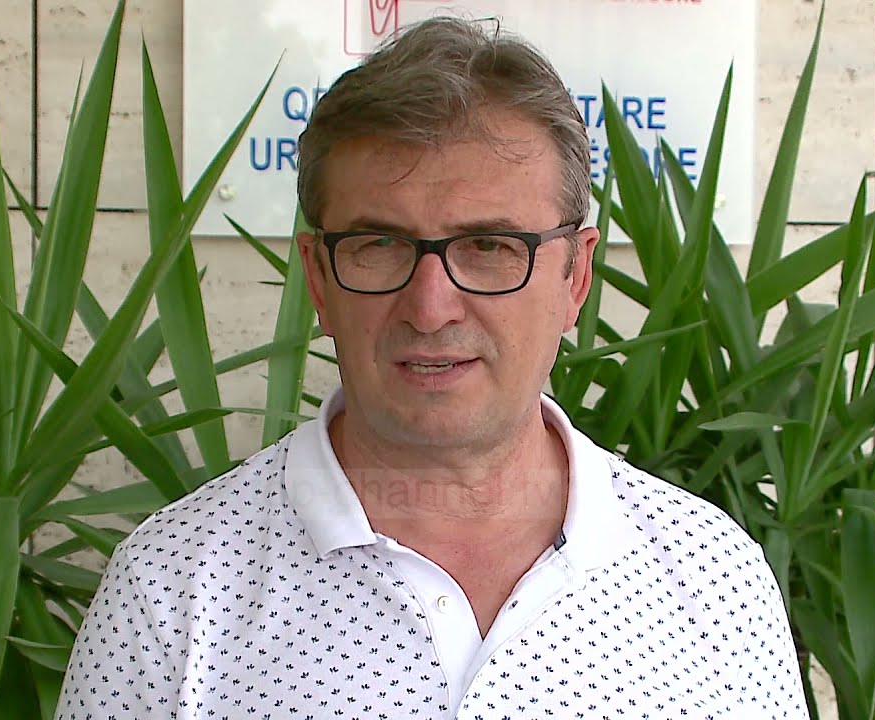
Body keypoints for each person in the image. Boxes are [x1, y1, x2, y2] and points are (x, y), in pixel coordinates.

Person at [55, 16, 808, 719]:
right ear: (318, 278)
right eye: (380, 245)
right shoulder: (171, 588)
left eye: (489, 247)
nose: (430, 307)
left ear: (575, 277)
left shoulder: (716, 583)